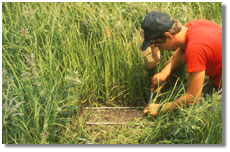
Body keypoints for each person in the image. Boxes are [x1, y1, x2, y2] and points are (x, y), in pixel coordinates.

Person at [140, 11, 222, 116]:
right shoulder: (192, 26)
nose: (159, 48)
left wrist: (161, 108)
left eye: (158, 45)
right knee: (172, 98)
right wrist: (164, 73)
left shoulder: (195, 48)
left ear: (168, 36)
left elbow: (193, 98)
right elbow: (182, 50)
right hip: (217, 78)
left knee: (191, 114)